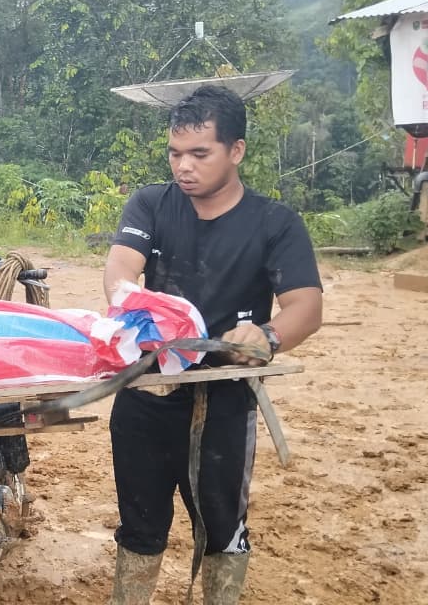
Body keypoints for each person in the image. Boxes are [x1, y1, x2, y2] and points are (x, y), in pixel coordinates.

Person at [103, 85, 323, 605]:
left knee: (224, 525)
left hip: (224, 400)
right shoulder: (151, 205)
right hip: (146, 394)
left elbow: (306, 308)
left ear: (236, 150)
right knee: (139, 523)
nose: (184, 167)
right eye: (176, 154)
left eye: (200, 154)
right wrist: (132, 301)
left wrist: (266, 337)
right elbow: (120, 269)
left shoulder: (274, 223)